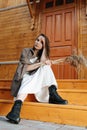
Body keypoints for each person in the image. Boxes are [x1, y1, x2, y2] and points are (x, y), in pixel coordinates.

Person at [6, 33, 68, 124]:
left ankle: (53, 93)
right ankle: (15, 111)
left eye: (41, 42)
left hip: (36, 78)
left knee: (46, 67)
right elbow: (26, 68)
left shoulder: (42, 56)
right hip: (24, 76)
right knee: (27, 80)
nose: (37, 42)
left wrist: (45, 54)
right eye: (37, 40)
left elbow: (44, 62)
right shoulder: (26, 51)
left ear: (44, 46)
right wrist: (41, 64)